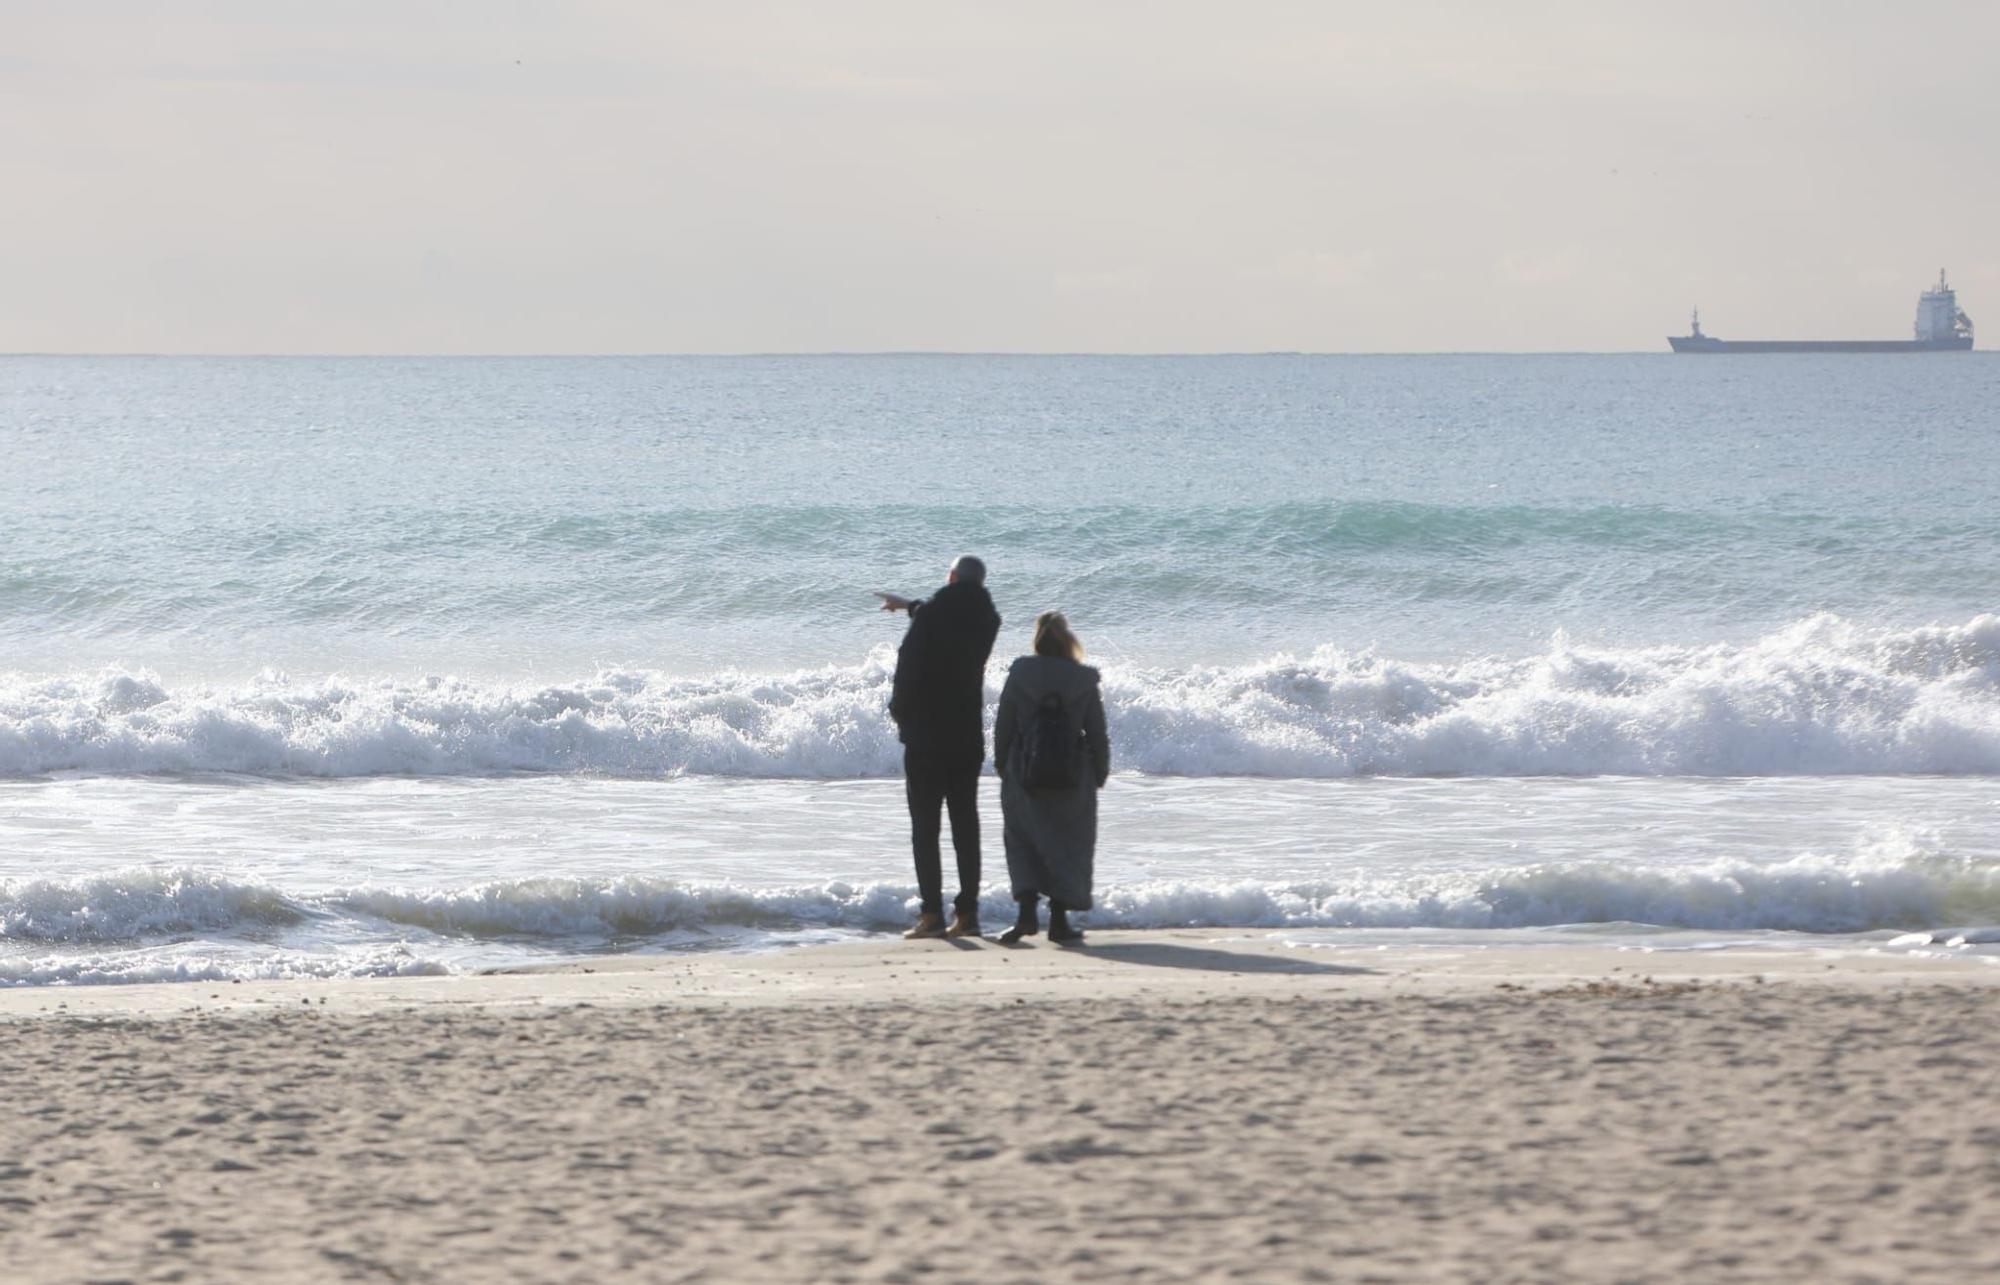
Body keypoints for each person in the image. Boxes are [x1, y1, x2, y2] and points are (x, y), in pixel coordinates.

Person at [877, 555, 1001, 939]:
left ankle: (931, 914)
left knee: (926, 827)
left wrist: (900, 714)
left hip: (927, 736)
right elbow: (946, 618)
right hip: (966, 735)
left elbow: (908, 666)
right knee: (966, 825)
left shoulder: (933, 617)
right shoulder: (987, 619)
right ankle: (968, 915)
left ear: (950, 577)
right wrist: (910, 606)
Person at [992, 611, 1110, 946]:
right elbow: (1097, 730)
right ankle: (1059, 922)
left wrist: (1003, 766)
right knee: (1067, 846)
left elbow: (1005, 723)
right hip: (1073, 775)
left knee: (1022, 841)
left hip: (1024, 772)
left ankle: (1026, 916)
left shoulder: (1020, 674)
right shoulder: (1083, 679)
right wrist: (1099, 771)